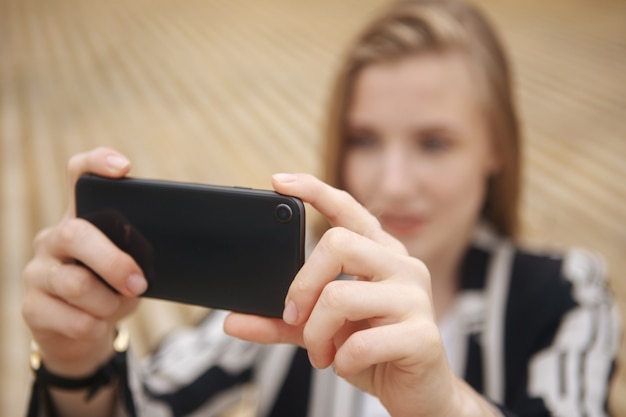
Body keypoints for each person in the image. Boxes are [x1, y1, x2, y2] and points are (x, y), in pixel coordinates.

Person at [22, 0, 619, 416]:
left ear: (497, 149)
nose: (391, 182)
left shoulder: (568, 291)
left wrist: (448, 405)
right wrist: (77, 361)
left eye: (434, 143)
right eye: (363, 139)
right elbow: (146, 401)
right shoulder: (294, 283)